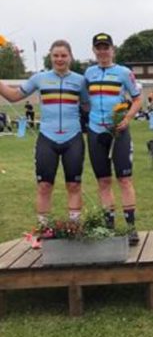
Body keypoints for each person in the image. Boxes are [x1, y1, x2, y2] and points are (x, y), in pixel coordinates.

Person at [0, 40, 88, 224]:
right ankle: (43, 228)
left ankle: (75, 227)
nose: (59, 59)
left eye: (63, 55)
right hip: (47, 138)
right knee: (44, 186)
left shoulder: (80, 81)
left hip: (73, 138)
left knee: (74, 185)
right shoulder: (39, 78)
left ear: (70, 57)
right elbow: (14, 96)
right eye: (56, 55)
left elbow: (90, 106)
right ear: (50, 57)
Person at [85, 33, 142, 245]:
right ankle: (108, 227)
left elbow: (138, 99)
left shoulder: (124, 73)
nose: (102, 51)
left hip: (119, 132)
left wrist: (127, 118)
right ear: (94, 50)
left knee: (124, 180)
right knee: (103, 181)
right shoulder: (89, 73)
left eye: (106, 47)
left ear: (112, 49)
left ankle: (131, 228)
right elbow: (84, 100)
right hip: (96, 132)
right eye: (98, 48)